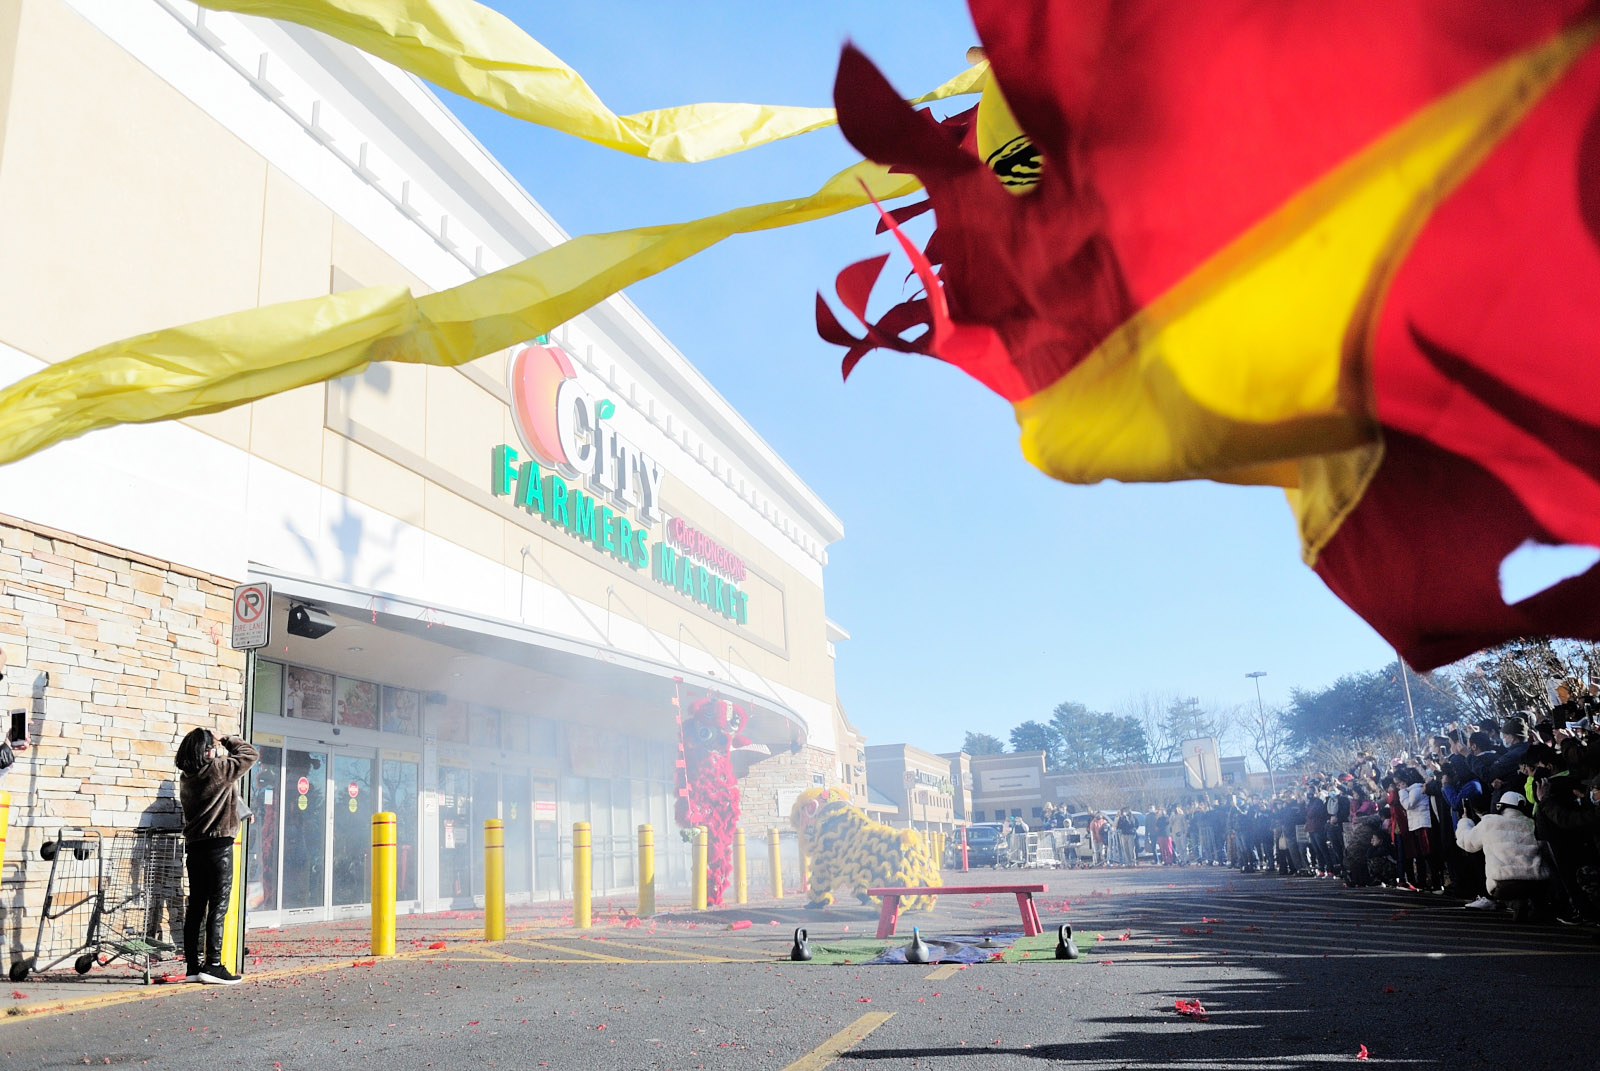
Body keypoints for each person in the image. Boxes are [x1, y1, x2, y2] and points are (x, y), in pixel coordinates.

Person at [175, 727, 258, 984]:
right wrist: (226, 739)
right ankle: (213, 965)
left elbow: (225, 795)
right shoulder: (219, 769)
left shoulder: (187, 778)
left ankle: (192, 967)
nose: (216, 749)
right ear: (206, 750)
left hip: (195, 848)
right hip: (219, 846)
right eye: (212, 746)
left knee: (196, 908)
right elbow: (250, 754)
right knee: (218, 906)